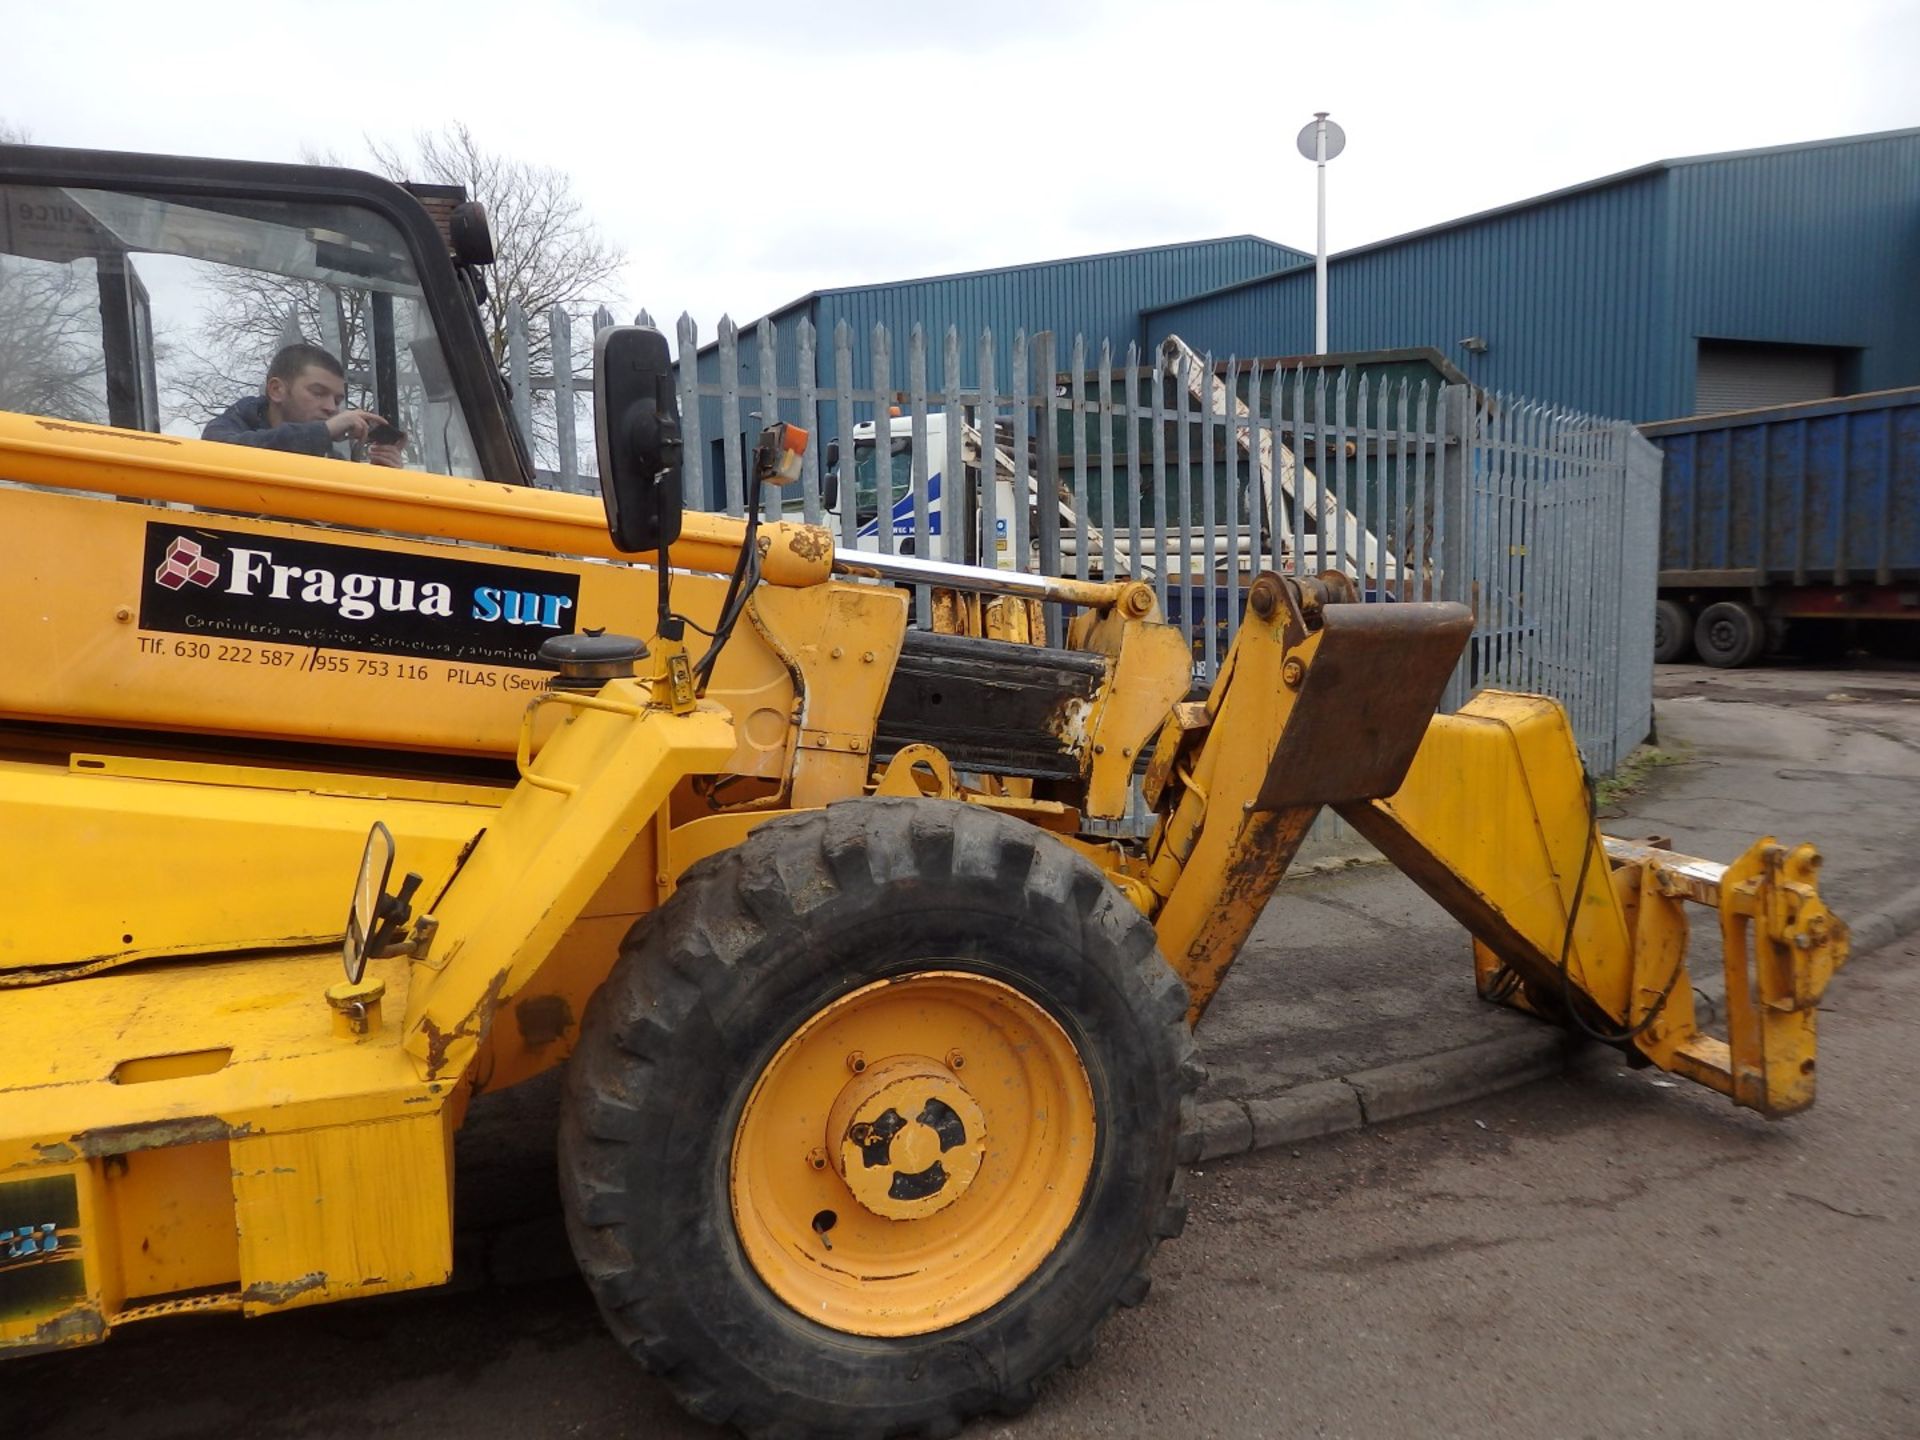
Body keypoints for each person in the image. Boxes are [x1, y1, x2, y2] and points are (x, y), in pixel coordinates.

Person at [203, 343, 404, 467]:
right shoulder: (224, 431)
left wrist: (381, 480)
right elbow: (219, 461)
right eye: (318, 393)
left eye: (337, 400)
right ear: (276, 390)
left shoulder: (330, 459)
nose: (331, 408)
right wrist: (323, 431)